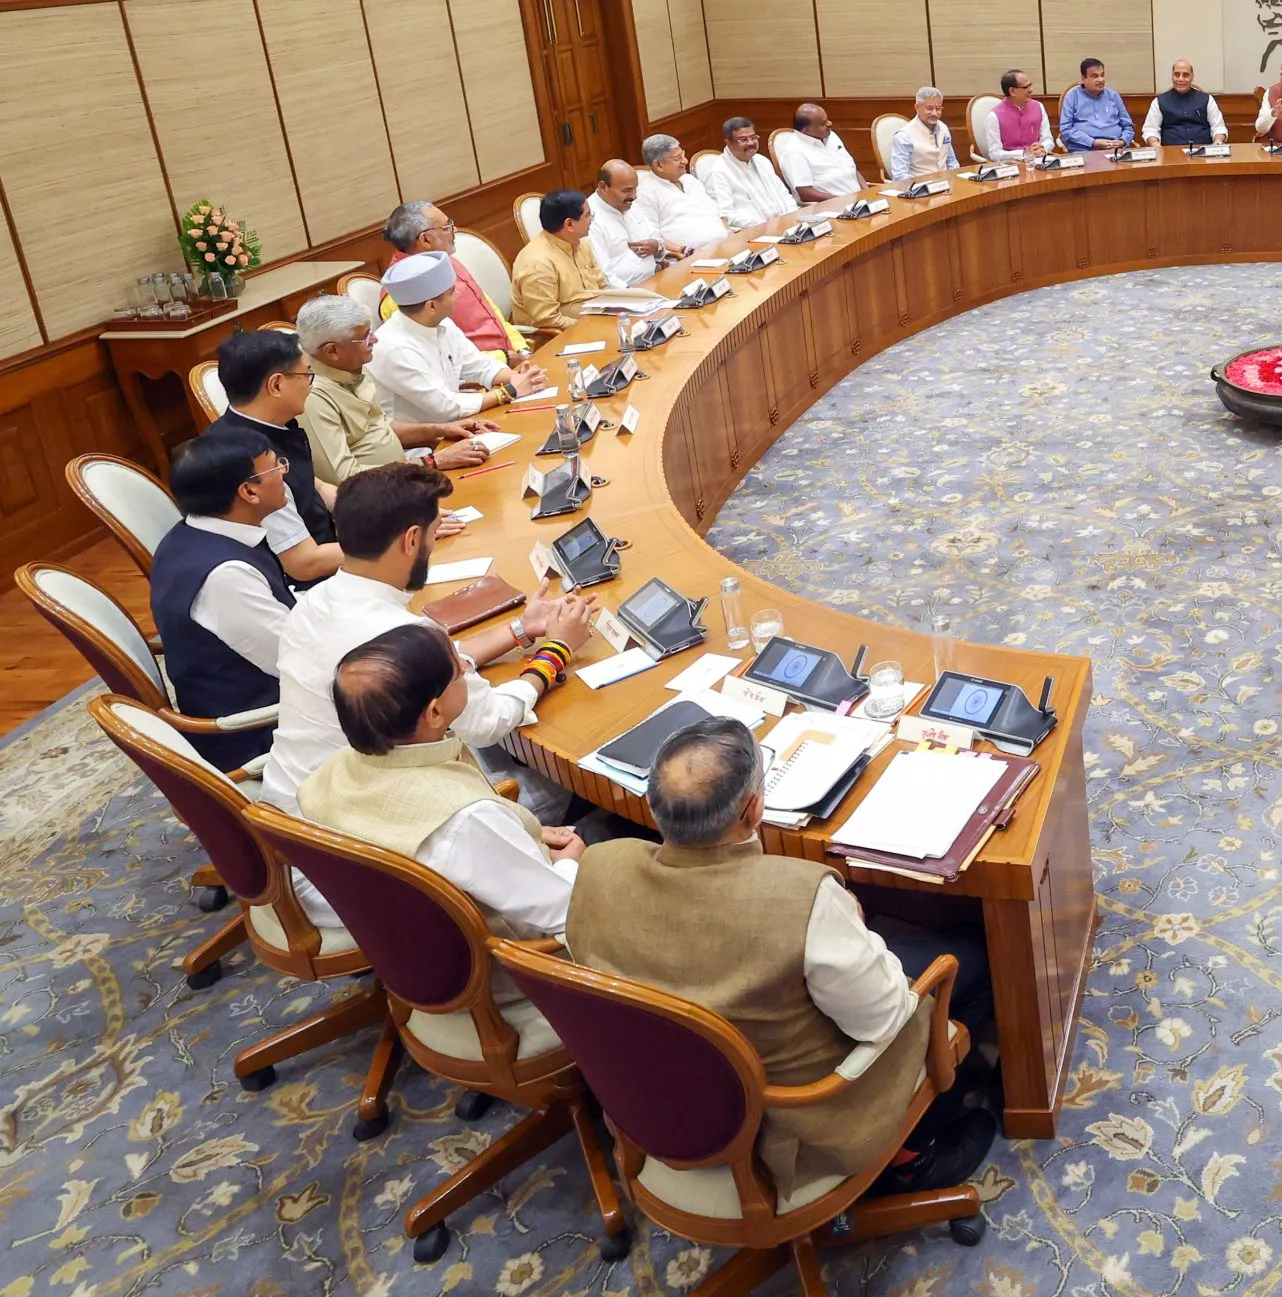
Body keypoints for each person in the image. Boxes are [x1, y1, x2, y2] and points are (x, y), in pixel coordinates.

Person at [570, 718, 1001, 1196]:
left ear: (653, 805)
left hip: (655, 1105)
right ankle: (913, 1154)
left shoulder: (598, 865)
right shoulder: (801, 896)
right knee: (968, 957)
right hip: (791, 1127)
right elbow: (884, 1019)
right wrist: (856, 929)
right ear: (754, 810)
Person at [267, 463, 593, 855]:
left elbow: (429, 669)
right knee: (565, 777)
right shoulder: (397, 629)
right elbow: (489, 722)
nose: (435, 545)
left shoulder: (316, 602)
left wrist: (520, 630)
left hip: (296, 813)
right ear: (411, 540)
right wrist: (556, 651)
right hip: (370, 839)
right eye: (435, 532)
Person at [299, 624, 586, 941]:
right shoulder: (467, 819)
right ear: (434, 713)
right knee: (610, 833)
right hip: (520, 956)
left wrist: (516, 834)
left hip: (410, 943)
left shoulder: (332, 770)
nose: (467, 665)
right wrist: (569, 863)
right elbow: (565, 912)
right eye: (458, 670)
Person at [149, 430, 296, 770]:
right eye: (277, 467)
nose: (284, 474)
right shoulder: (225, 576)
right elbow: (301, 662)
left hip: (266, 693)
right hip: (261, 732)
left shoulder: (193, 533)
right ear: (249, 491)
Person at [295, 294, 491, 485]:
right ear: (332, 351)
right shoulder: (312, 396)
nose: (374, 341)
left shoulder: (351, 368)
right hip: (375, 500)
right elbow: (345, 478)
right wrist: (433, 462)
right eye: (364, 337)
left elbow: (380, 426)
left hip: (403, 475)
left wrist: (439, 430)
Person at [197, 329, 341, 582]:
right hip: (301, 590)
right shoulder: (252, 464)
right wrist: (391, 541)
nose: (310, 384)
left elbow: (317, 487)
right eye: (307, 374)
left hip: (327, 551)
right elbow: (304, 563)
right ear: (276, 385)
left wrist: (388, 514)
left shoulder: (266, 427)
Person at [372, 251, 547, 426]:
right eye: (451, 292)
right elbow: (447, 407)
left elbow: (480, 366)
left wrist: (519, 377)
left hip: (461, 425)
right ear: (431, 306)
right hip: (423, 445)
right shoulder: (394, 348)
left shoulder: (444, 324)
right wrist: (508, 392)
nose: (457, 296)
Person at [381, 201, 525, 360]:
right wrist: (504, 358)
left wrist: (521, 348)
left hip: (510, 361)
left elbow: (490, 310)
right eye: (447, 227)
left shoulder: (444, 260)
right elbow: (438, 359)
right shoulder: (400, 294)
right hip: (478, 378)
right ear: (425, 240)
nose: (454, 230)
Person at [509, 189, 607, 332]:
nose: (591, 219)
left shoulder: (582, 244)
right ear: (569, 224)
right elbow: (547, 319)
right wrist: (592, 327)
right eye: (587, 215)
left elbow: (601, 286)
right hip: (559, 338)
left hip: (596, 320)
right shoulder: (537, 263)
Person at [630, 134, 730, 256]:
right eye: (678, 158)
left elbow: (717, 214)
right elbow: (652, 238)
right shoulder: (645, 193)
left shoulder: (689, 180)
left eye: (682, 154)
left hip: (725, 245)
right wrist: (684, 250)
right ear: (658, 165)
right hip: (691, 258)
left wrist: (729, 233)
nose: (685, 161)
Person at [697, 116, 798, 229]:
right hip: (753, 232)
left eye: (753, 137)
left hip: (787, 224)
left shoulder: (761, 160)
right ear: (728, 142)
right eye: (743, 140)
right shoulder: (717, 172)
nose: (751, 143)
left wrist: (792, 216)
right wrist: (765, 226)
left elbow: (784, 194)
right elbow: (726, 215)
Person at [585, 160, 661, 287]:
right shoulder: (589, 219)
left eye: (636, 189)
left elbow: (657, 237)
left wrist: (657, 246)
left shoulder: (630, 204)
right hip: (627, 294)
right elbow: (604, 277)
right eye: (627, 191)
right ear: (603, 187)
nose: (634, 196)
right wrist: (633, 296)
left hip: (656, 279)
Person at [771, 103, 863, 201]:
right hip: (830, 208)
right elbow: (805, 193)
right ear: (807, 130)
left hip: (858, 201)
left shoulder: (831, 136)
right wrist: (844, 200)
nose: (830, 123)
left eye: (827, 119)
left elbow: (851, 170)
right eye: (823, 123)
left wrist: (867, 194)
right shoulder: (794, 152)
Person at [1142, 59, 1228, 147]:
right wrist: (1155, 144)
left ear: (1192, 77)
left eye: (1185, 75)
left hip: (1203, 154)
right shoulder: (1159, 101)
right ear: (1172, 76)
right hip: (1170, 155)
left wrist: (1217, 142)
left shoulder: (1207, 99)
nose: (1180, 79)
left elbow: (1218, 127)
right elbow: (1150, 129)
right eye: (1177, 75)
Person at [1059, 59, 1135, 152]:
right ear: (1083, 78)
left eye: (1102, 75)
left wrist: (1122, 141)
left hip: (1115, 149)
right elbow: (1066, 130)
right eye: (1095, 76)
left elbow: (1128, 126)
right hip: (1084, 149)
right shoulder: (1072, 96)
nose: (1101, 79)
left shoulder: (1113, 96)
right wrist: (1092, 142)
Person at [887, 87, 958, 180]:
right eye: (930, 108)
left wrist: (955, 180)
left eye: (938, 108)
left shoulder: (943, 128)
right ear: (917, 107)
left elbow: (951, 162)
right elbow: (900, 176)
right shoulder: (904, 136)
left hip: (947, 184)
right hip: (920, 188)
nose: (935, 113)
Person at [986, 70, 1057, 159]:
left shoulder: (1038, 106)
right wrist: (1024, 153)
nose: (1031, 90)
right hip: (1011, 166)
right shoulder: (994, 116)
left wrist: (1043, 148)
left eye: (1030, 85)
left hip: (1039, 160)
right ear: (1012, 91)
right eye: (1025, 87)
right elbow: (995, 154)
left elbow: (1048, 139)